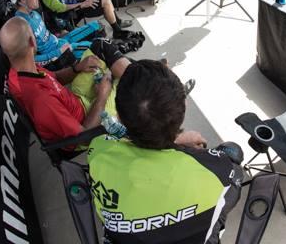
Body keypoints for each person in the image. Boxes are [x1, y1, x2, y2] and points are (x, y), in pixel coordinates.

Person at [88, 59, 242, 244]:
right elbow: (232, 176)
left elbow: (120, 140)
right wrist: (177, 143)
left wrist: (176, 142)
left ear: (119, 117)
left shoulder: (99, 149)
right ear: (184, 108)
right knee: (233, 151)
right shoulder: (216, 172)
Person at [0, 16, 129, 143]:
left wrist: (77, 67)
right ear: (32, 42)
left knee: (100, 46)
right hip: (88, 124)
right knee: (124, 87)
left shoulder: (22, 68)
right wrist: (102, 95)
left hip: (76, 101)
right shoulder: (40, 99)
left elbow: (55, 78)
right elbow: (84, 136)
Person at [7, 0, 104, 69]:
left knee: (98, 26)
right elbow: (32, 60)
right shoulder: (21, 26)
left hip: (60, 42)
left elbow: (44, 36)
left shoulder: (33, 13)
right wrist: (59, 52)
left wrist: (59, 36)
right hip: (58, 55)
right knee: (100, 47)